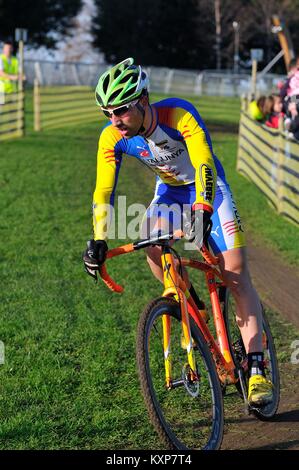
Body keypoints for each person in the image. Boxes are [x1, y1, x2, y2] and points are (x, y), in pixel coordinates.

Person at [82, 58, 274, 407]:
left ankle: (258, 367)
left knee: (234, 272)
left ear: (143, 100)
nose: (115, 121)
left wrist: (202, 210)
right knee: (151, 243)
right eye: (107, 113)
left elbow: (203, 162)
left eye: (121, 110)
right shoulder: (113, 137)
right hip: (170, 194)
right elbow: (103, 191)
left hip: (208, 190)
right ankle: (193, 307)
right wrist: (98, 239)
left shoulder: (179, 116)